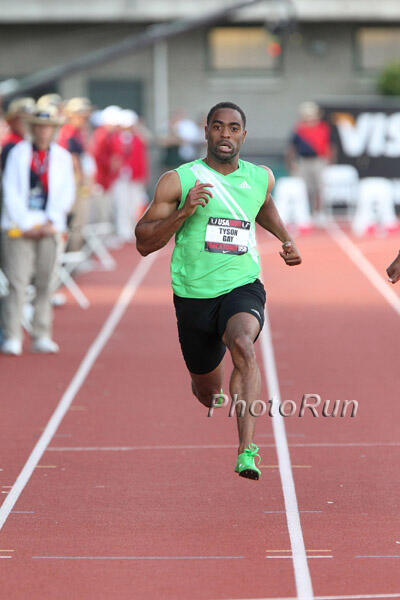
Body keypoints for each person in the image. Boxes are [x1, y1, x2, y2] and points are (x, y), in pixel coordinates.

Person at [135, 101, 302, 480]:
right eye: (218, 126)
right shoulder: (179, 180)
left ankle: (247, 451)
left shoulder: (260, 177)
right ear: (206, 131)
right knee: (208, 394)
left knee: (244, 344)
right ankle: (208, 388)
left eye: (233, 128)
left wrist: (286, 238)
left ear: (244, 134)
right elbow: (144, 242)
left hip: (242, 285)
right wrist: (183, 213)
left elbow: (262, 205)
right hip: (193, 297)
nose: (225, 134)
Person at [1, 105, 75, 356]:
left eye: (48, 127)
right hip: (19, 227)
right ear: (32, 128)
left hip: (49, 226)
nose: (43, 132)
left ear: (53, 130)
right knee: (17, 282)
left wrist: (51, 221)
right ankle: (12, 335)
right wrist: (24, 224)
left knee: (46, 283)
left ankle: (41, 334)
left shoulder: (62, 156)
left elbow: (67, 192)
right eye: (39, 127)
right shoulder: (17, 153)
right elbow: (10, 190)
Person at [286, 101, 335, 219]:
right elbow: (292, 147)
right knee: (304, 188)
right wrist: (291, 162)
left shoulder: (323, 127)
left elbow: (330, 145)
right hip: (303, 161)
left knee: (320, 187)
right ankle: (307, 211)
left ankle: (319, 212)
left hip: (319, 161)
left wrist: (329, 160)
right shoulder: (299, 129)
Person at [58, 97, 93, 250]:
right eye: (80, 115)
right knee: (76, 217)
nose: (83, 119)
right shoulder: (69, 132)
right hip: (73, 182)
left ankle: (74, 251)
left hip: (75, 181)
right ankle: (73, 251)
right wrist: (82, 180)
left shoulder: (76, 132)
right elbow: (74, 159)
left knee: (79, 218)